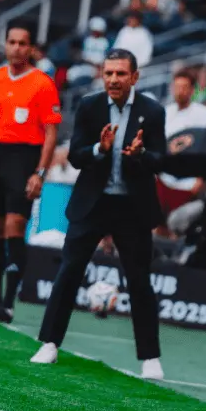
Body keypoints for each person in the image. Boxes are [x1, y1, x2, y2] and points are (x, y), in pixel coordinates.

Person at [31, 49, 166, 380]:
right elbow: (76, 156)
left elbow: (161, 160)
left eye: (121, 73)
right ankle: (49, 343)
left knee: (139, 281)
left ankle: (150, 358)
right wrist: (99, 149)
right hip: (92, 202)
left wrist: (141, 153)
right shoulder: (89, 106)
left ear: (135, 77)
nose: (113, 79)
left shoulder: (152, 111)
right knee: (69, 271)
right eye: (108, 73)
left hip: (133, 206)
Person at [0, 24, 60, 323]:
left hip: (25, 156)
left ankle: (8, 304)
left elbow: (51, 132)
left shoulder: (43, 83)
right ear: (5, 45)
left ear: (31, 48)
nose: (16, 48)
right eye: (12, 42)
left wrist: (40, 172)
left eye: (22, 43)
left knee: (14, 226)